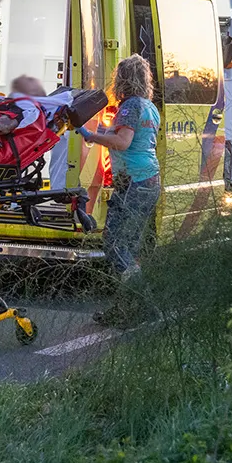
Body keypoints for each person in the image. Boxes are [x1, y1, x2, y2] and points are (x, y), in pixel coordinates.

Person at [77, 55, 161, 325]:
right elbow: (127, 136)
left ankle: (144, 304)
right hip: (148, 181)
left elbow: (122, 142)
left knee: (114, 245)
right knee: (129, 248)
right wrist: (98, 128)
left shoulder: (129, 106)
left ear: (122, 78)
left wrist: (90, 136)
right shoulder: (149, 106)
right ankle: (126, 309)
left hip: (133, 183)